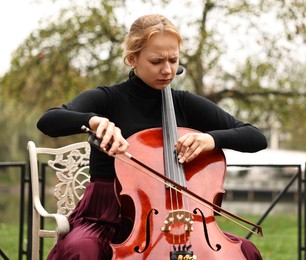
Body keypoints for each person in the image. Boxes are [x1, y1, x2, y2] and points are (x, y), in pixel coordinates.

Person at [37, 14, 267, 260]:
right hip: (105, 217)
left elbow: (255, 137)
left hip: (176, 218)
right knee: (84, 249)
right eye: (156, 61)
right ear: (132, 59)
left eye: (173, 60)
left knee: (245, 251)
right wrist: (94, 120)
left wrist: (211, 139)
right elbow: (49, 121)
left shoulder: (184, 103)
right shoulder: (109, 99)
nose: (167, 70)